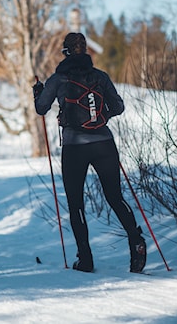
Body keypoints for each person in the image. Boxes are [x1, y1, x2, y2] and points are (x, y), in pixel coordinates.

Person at [33, 32, 147, 273]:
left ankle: (85, 259)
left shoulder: (58, 79)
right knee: (115, 197)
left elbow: (42, 108)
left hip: (75, 147)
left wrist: (38, 92)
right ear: (85, 52)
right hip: (104, 143)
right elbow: (118, 107)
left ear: (65, 52)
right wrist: (99, 116)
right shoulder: (100, 76)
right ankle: (136, 241)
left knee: (76, 204)